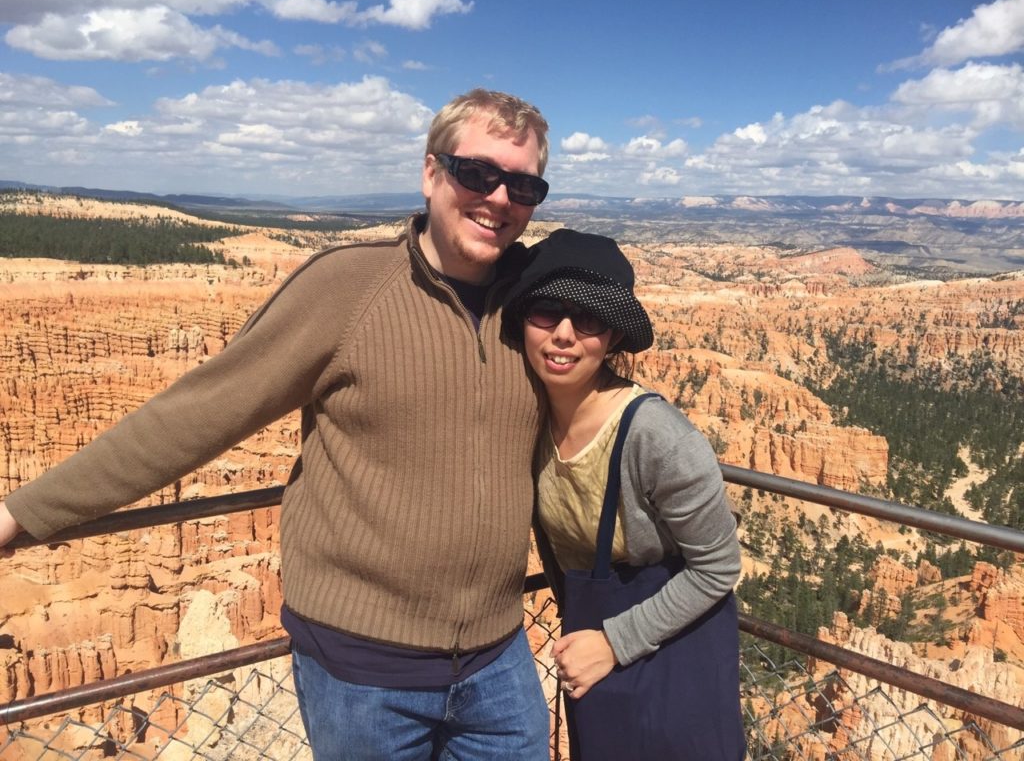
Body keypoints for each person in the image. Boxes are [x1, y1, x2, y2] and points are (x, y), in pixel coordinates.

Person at [0, 88, 553, 760]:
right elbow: (196, 414)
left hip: (498, 662)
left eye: (523, 185)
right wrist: (23, 512)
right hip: (363, 674)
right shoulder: (347, 289)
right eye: (478, 174)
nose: (499, 198)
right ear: (432, 174)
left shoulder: (541, 306)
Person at [502, 229, 747, 760]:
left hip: (657, 657)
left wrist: (614, 642)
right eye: (545, 311)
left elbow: (720, 567)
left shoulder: (656, 436)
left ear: (612, 337)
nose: (564, 334)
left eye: (588, 319)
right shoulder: (529, 416)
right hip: (595, 658)